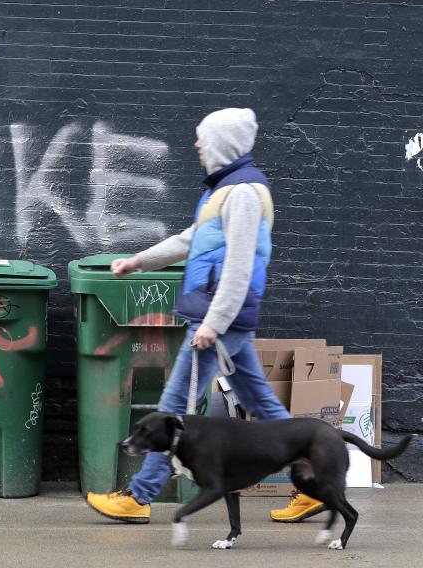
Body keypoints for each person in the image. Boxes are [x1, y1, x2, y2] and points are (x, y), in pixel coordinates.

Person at [85, 108, 325, 524]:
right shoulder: (225, 191)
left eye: (202, 138)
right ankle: (314, 483)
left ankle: (138, 497)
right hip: (224, 315)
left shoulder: (245, 193)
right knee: (260, 402)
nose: (196, 145)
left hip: (221, 316)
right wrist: (138, 261)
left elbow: (239, 265)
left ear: (221, 143)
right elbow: (189, 239)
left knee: (172, 407)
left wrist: (213, 323)